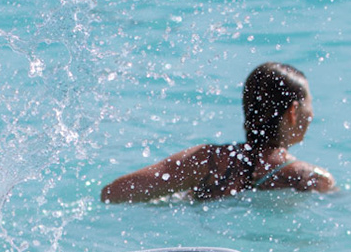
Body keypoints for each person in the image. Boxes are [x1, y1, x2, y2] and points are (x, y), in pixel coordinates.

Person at [101, 62, 335, 203]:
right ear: (293, 112)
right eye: (310, 104)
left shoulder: (207, 161)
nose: (312, 114)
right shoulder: (313, 179)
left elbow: (113, 193)